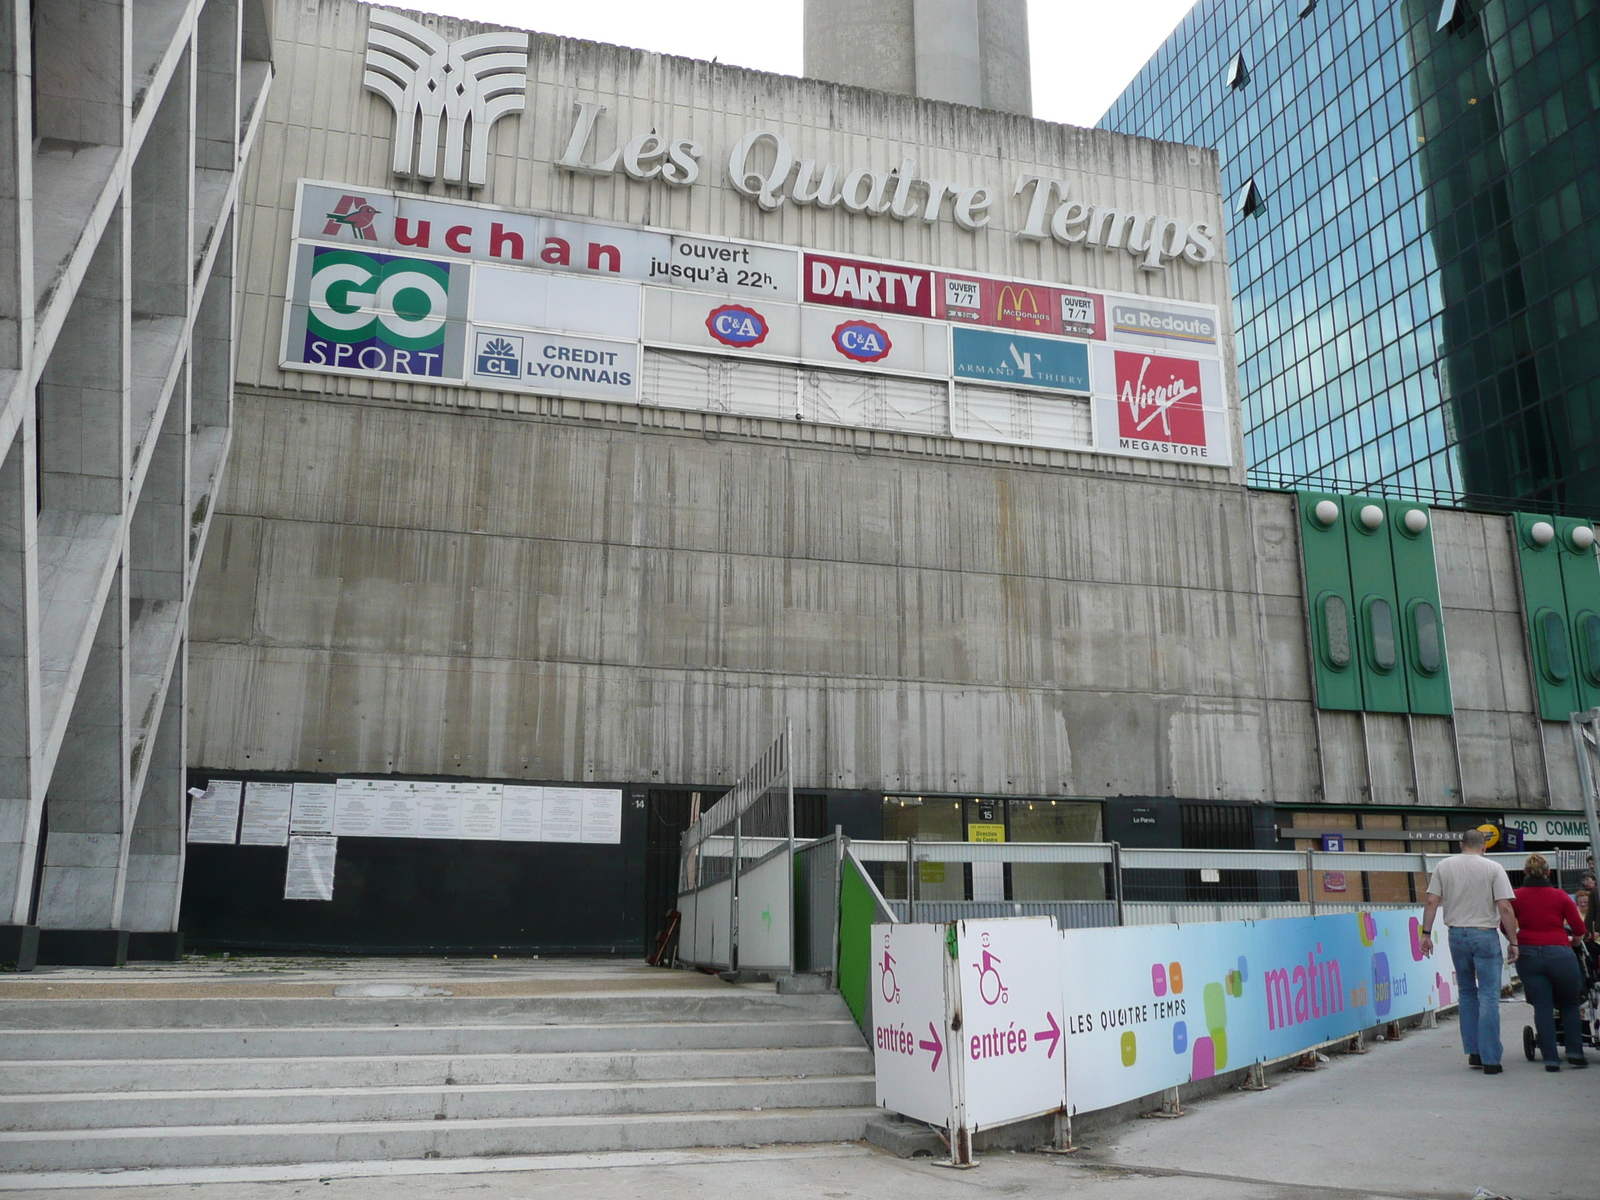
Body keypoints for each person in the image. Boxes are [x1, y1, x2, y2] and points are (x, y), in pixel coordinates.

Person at [1420, 829, 1519, 1074]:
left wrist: (1425, 933)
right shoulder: (1493, 868)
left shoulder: (1444, 866)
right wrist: (1513, 941)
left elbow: (1432, 900)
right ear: (1484, 847)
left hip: (1456, 934)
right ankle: (1491, 1058)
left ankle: (1473, 1052)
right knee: (1488, 996)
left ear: (1461, 844)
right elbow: (1505, 907)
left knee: (1466, 992)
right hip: (1484, 933)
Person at [1513, 853, 1589, 1071]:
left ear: (1525, 873)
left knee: (1543, 1006)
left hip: (1527, 953)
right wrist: (1574, 942)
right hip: (1559, 952)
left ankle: (1551, 1059)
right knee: (1569, 1003)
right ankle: (1575, 1052)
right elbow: (1579, 929)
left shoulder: (1516, 896)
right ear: (1549, 873)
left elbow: (1505, 925)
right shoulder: (1561, 896)